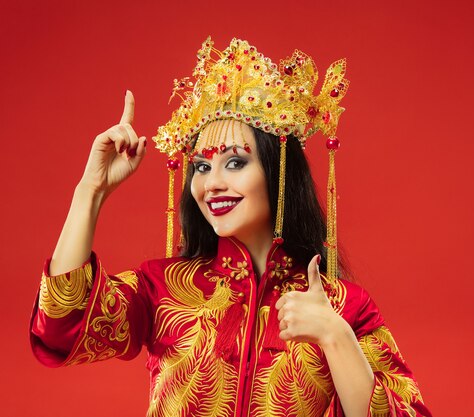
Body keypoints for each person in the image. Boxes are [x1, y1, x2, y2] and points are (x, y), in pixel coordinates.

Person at [29, 38, 432, 417]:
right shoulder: (163, 288)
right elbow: (61, 327)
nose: (212, 183)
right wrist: (91, 191)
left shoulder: (342, 305)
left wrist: (335, 336)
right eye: (202, 167)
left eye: (235, 163)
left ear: (278, 174)